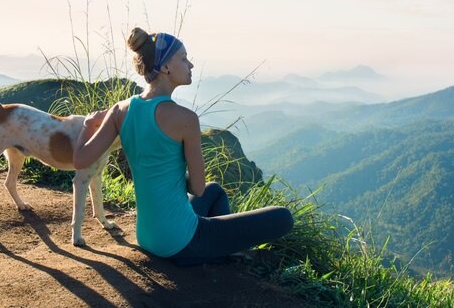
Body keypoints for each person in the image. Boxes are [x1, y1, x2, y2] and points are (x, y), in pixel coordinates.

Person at [73, 27, 293, 265]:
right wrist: (174, 173)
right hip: (182, 241)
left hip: (147, 237)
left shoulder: (120, 110)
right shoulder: (186, 119)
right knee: (283, 217)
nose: (190, 65)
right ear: (166, 67)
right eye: (183, 58)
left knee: (214, 190)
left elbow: (80, 160)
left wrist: (88, 124)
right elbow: (196, 189)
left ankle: (232, 251)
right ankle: (227, 253)